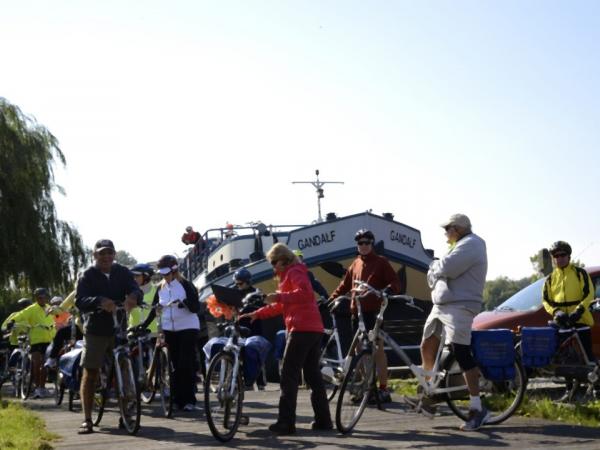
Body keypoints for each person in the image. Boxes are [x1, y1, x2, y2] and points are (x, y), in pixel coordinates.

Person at [239, 243, 332, 435]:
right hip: (314, 328)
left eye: (274, 262)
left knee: (289, 375)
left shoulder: (294, 272)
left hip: (301, 329)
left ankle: (286, 423)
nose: (273, 267)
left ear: (284, 259)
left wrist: (279, 296)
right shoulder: (294, 272)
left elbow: (304, 294)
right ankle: (324, 421)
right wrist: (258, 313)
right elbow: (283, 305)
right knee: (313, 376)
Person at [417, 213, 488, 431]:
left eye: (447, 229)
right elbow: (434, 276)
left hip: (461, 305)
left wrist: (436, 266)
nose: (445, 233)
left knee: (460, 351)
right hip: (442, 305)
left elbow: (446, 268)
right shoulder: (457, 246)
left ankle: (477, 408)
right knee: (427, 344)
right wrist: (438, 267)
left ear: (456, 229)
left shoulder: (472, 244)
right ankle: (430, 396)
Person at [75, 239, 142, 434]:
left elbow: (135, 288)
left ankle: (127, 413)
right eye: (101, 253)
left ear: (114, 255)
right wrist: (99, 301)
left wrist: (133, 296)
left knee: (125, 368)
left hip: (119, 326)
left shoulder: (122, 271)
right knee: (91, 372)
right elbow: (80, 300)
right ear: (94, 255)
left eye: (109, 253)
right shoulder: (87, 275)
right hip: (96, 329)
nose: (106, 257)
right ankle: (87, 419)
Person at [329, 229, 401, 403]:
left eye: (367, 242)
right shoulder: (355, 263)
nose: (363, 246)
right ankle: (366, 386)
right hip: (357, 312)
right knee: (358, 350)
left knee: (377, 350)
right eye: (360, 243)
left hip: (374, 311)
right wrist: (330, 299)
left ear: (372, 244)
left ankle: (383, 389)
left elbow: (395, 282)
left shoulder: (381, 262)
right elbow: (344, 286)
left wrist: (388, 290)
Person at [139, 254, 201, 412]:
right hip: (169, 329)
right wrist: (144, 325)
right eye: (162, 274)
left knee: (185, 364)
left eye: (167, 273)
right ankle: (176, 399)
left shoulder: (186, 285)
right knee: (173, 366)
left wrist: (183, 302)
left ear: (175, 270)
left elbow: (196, 307)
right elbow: (155, 309)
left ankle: (189, 400)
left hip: (187, 327)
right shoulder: (160, 287)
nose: (164, 276)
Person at [542, 240, 596, 400]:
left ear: (569, 256)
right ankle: (569, 390)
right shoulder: (550, 279)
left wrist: (579, 311)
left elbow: (589, 294)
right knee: (565, 360)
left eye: (562, 255)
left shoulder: (580, 273)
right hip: (562, 321)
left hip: (580, 319)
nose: (559, 259)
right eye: (556, 256)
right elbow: (546, 300)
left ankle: (594, 390)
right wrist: (556, 312)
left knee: (587, 357)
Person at [9, 288, 55, 399]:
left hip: (49, 339)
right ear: (36, 298)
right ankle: (37, 387)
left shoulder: (50, 308)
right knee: (36, 364)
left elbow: (57, 316)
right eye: (40, 297)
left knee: (45, 365)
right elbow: (21, 314)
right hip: (36, 339)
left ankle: (42, 388)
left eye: (44, 297)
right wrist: (12, 321)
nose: (42, 299)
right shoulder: (32, 308)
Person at [233, 268, 270, 390]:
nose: (238, 286)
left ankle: (260, 383)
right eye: (236, 283)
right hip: (240, 327)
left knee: (256, 354)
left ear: (248, 281)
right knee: (240, 354)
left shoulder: (257, 292)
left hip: (254, 328)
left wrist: (256, 303)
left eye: (240, 283)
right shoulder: (234, 292)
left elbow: (265, 305)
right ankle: (245, 382)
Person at [45, 290, 83, 369]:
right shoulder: (76, 293)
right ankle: (52, 358)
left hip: (101, 328)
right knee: (61, 333)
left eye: (58, 302)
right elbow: (61, 308)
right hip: (80, 328)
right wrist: (53, 310)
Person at [128, 263, 158, 334]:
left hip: (152, 333)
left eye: (137, 276)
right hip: (133, 332)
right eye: (133, 276)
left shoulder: (157, 290)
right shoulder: (129, 292)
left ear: (146, 276)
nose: (134, 278)